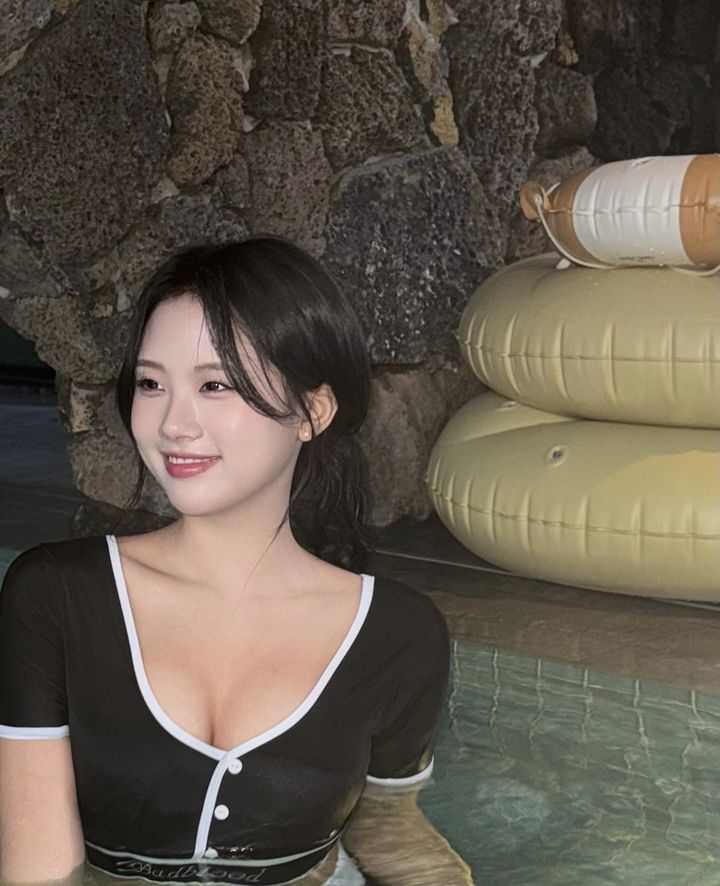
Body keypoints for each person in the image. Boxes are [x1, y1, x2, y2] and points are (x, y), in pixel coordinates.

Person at [0, 237, 468, 885]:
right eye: (151, 383)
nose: (173, 424)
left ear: (312, 411)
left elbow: (387, 826)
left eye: (214, 384)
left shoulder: (398, 635)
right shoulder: (56, 596)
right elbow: (39, 870)